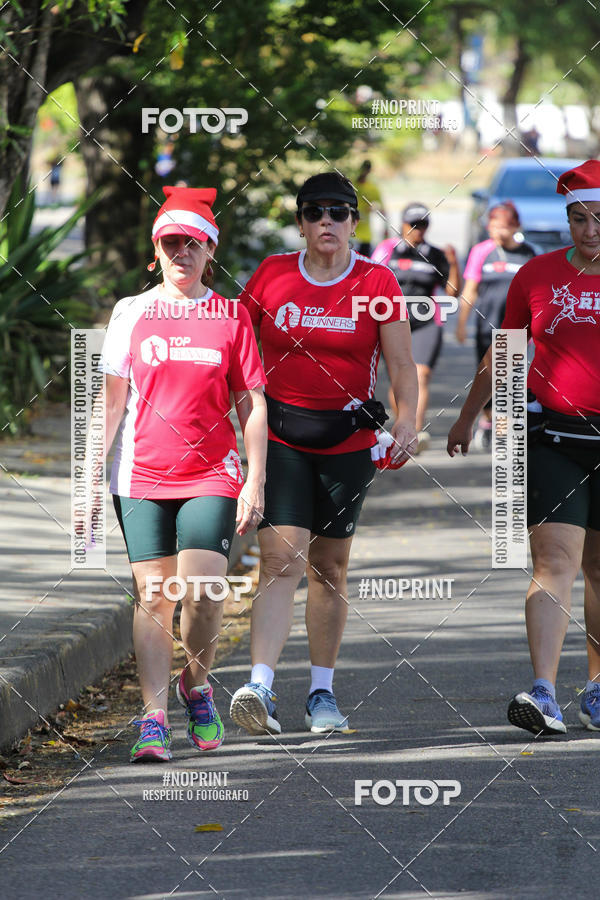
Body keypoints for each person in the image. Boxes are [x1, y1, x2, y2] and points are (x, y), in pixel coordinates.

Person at [229, 171, 418, 735]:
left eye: (338, 212)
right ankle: (259, 686)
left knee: (330, 568)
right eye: (314, 213)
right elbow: (238, 349)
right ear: (301, 222)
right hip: (282, 434)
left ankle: (321, 693)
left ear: (354, 222)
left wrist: (407, 421)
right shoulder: (272, 274)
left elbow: (403, 365)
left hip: (349, 441)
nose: (326, 223)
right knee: (280, 559)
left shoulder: (378, 283)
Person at [92, 186, 267, 761]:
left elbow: (253, 403)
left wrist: (255, 480)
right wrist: (88, 481)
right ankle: (152, 717)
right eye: (171, 243)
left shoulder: (231, 315)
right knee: (154, 594)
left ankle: (196, 684)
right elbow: (111, 403)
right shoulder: (131, 314)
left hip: (212, 473)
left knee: (203, 591)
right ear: (156, 250)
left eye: (193, 243)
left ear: (209, 250)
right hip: (140, 474)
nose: (182, 253)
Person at [447, 159, 600, 737]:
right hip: (553, 437)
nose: (590, 231)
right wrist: (468, 418)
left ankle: (596, 688)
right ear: (567, 221)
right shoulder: (535, 275)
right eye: (580, 219)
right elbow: (504, 354)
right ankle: (544, 692)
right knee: (554, 562)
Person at [373, 203, 461, 453]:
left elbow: (452, 293)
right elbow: (369, 282)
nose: (417, 230)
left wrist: (453, 264)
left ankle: (415, 430)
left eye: (422, 225)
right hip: (392, 321)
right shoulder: (387, 251)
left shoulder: (434, 254)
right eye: (413, 225)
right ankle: (402, 423)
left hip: (426, 322)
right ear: (401, 225)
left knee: (421, 374)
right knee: (397, 376)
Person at [457, 202, 537, 449]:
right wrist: (461, 323)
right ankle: (487, 421)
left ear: (515, 226)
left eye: (501, 226)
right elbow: (470, 289)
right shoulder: (482, 251)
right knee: (489, 375)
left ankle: (504, 427)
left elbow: (538, 293)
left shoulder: (529, 254)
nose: (496, 231)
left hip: (517, 331)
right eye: (492, 225)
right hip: (486, 326)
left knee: (512, 377)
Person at [354, 160, 388, 256]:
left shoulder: (372, 188)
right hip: (349, 235)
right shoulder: (351, 185)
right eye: (363, 169)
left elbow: (382, 210)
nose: (364, 172)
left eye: (367, 169)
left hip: (365, 235)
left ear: (369, 171)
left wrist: (386, 228)